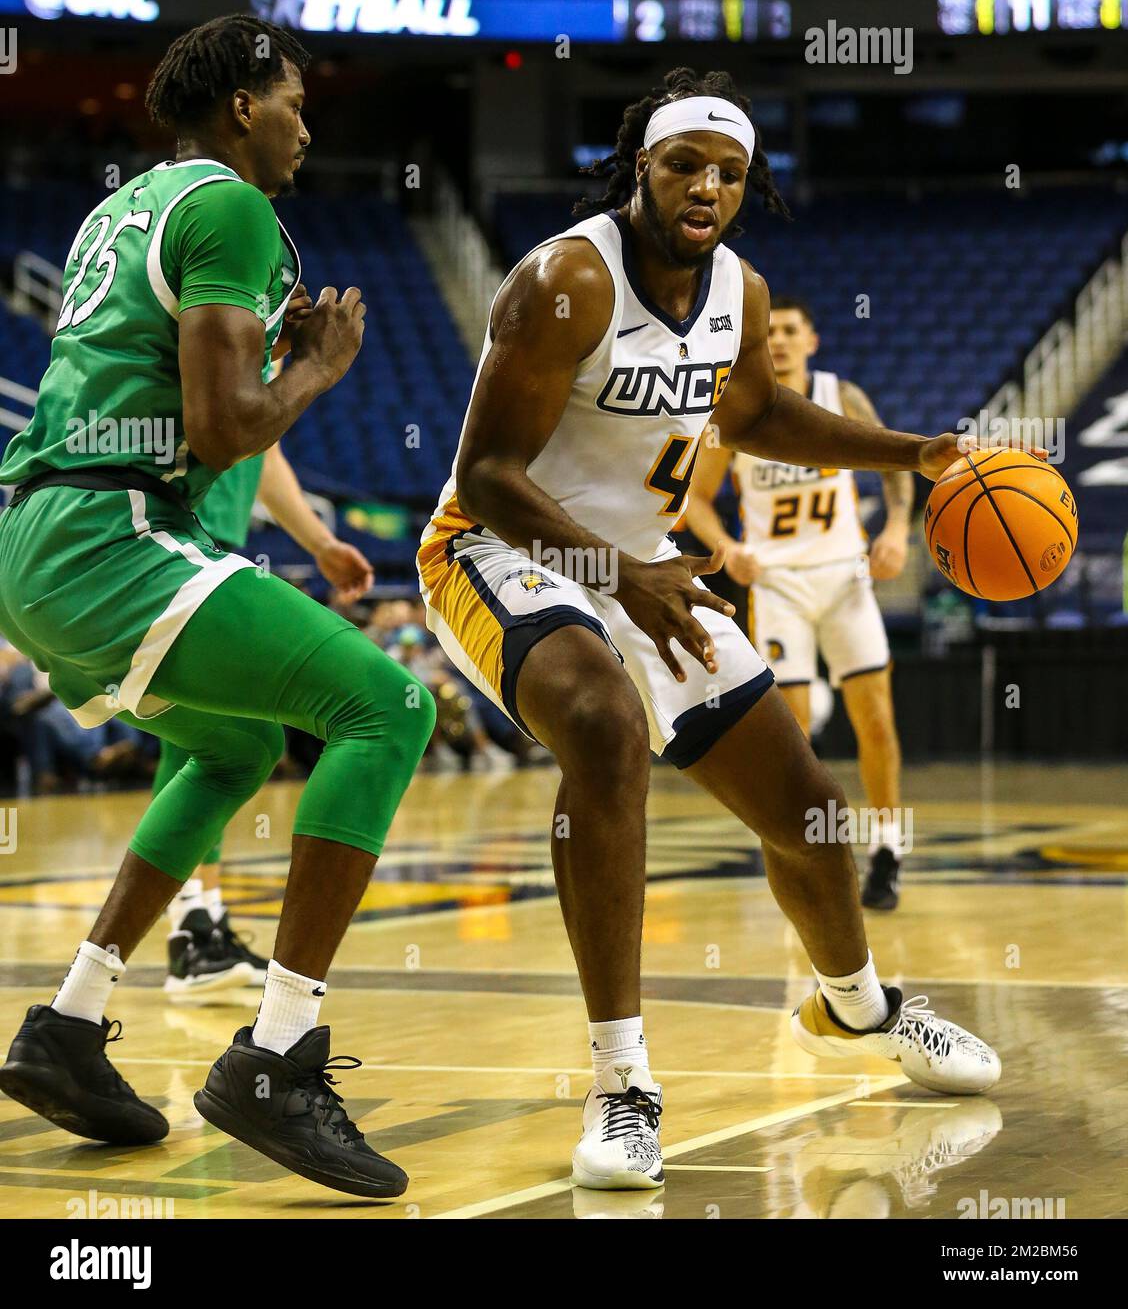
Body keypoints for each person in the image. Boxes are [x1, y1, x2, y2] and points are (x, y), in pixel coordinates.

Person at [417, 67, 1000, 1192]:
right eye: (686, 164)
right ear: (643, 165)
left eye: (729, 173)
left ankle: (860, 1009)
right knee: (600, 724)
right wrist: (617, 572)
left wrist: (911, 452)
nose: (707, 187)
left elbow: (762, 414)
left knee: (820, 821)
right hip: (498, 554)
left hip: (645, 574)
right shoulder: (565, 280)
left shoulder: (740, 288)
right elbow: (483, 477)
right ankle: (622, 1084)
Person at [0, 15, 435, 1200]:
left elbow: (189, 399)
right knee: (388, 704)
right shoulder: (234, 209)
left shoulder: (124, 210)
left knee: (234, 741)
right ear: (243, 103)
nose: (307, 122)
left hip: (38, 539)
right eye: (294, 98)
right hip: (111, 536)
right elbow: (220, 427)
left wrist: (273, 399)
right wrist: (320, 369)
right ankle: (280, 1055)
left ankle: (68, 1025)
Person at [685, 296, 911, 909]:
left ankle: (887, 848)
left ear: (812, 340)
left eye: (790, 330)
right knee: (798, 730)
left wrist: (896, 529)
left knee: (878, 719)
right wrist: (727, 547)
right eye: (770, 331)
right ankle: (807, 851)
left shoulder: (843, 397)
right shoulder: (735, 412)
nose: (779, 339)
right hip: (778, 583)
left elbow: (895, 467)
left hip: (844, 576)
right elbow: (694, 501)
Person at [162, 427, 377, 995]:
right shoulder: (223, 336)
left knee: (227, 737)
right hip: (166, 531)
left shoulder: (259, 352)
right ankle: (189, 930)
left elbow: (264, 448)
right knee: (204, 739)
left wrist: (320, 543)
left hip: (216, 543)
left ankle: (202, 919)